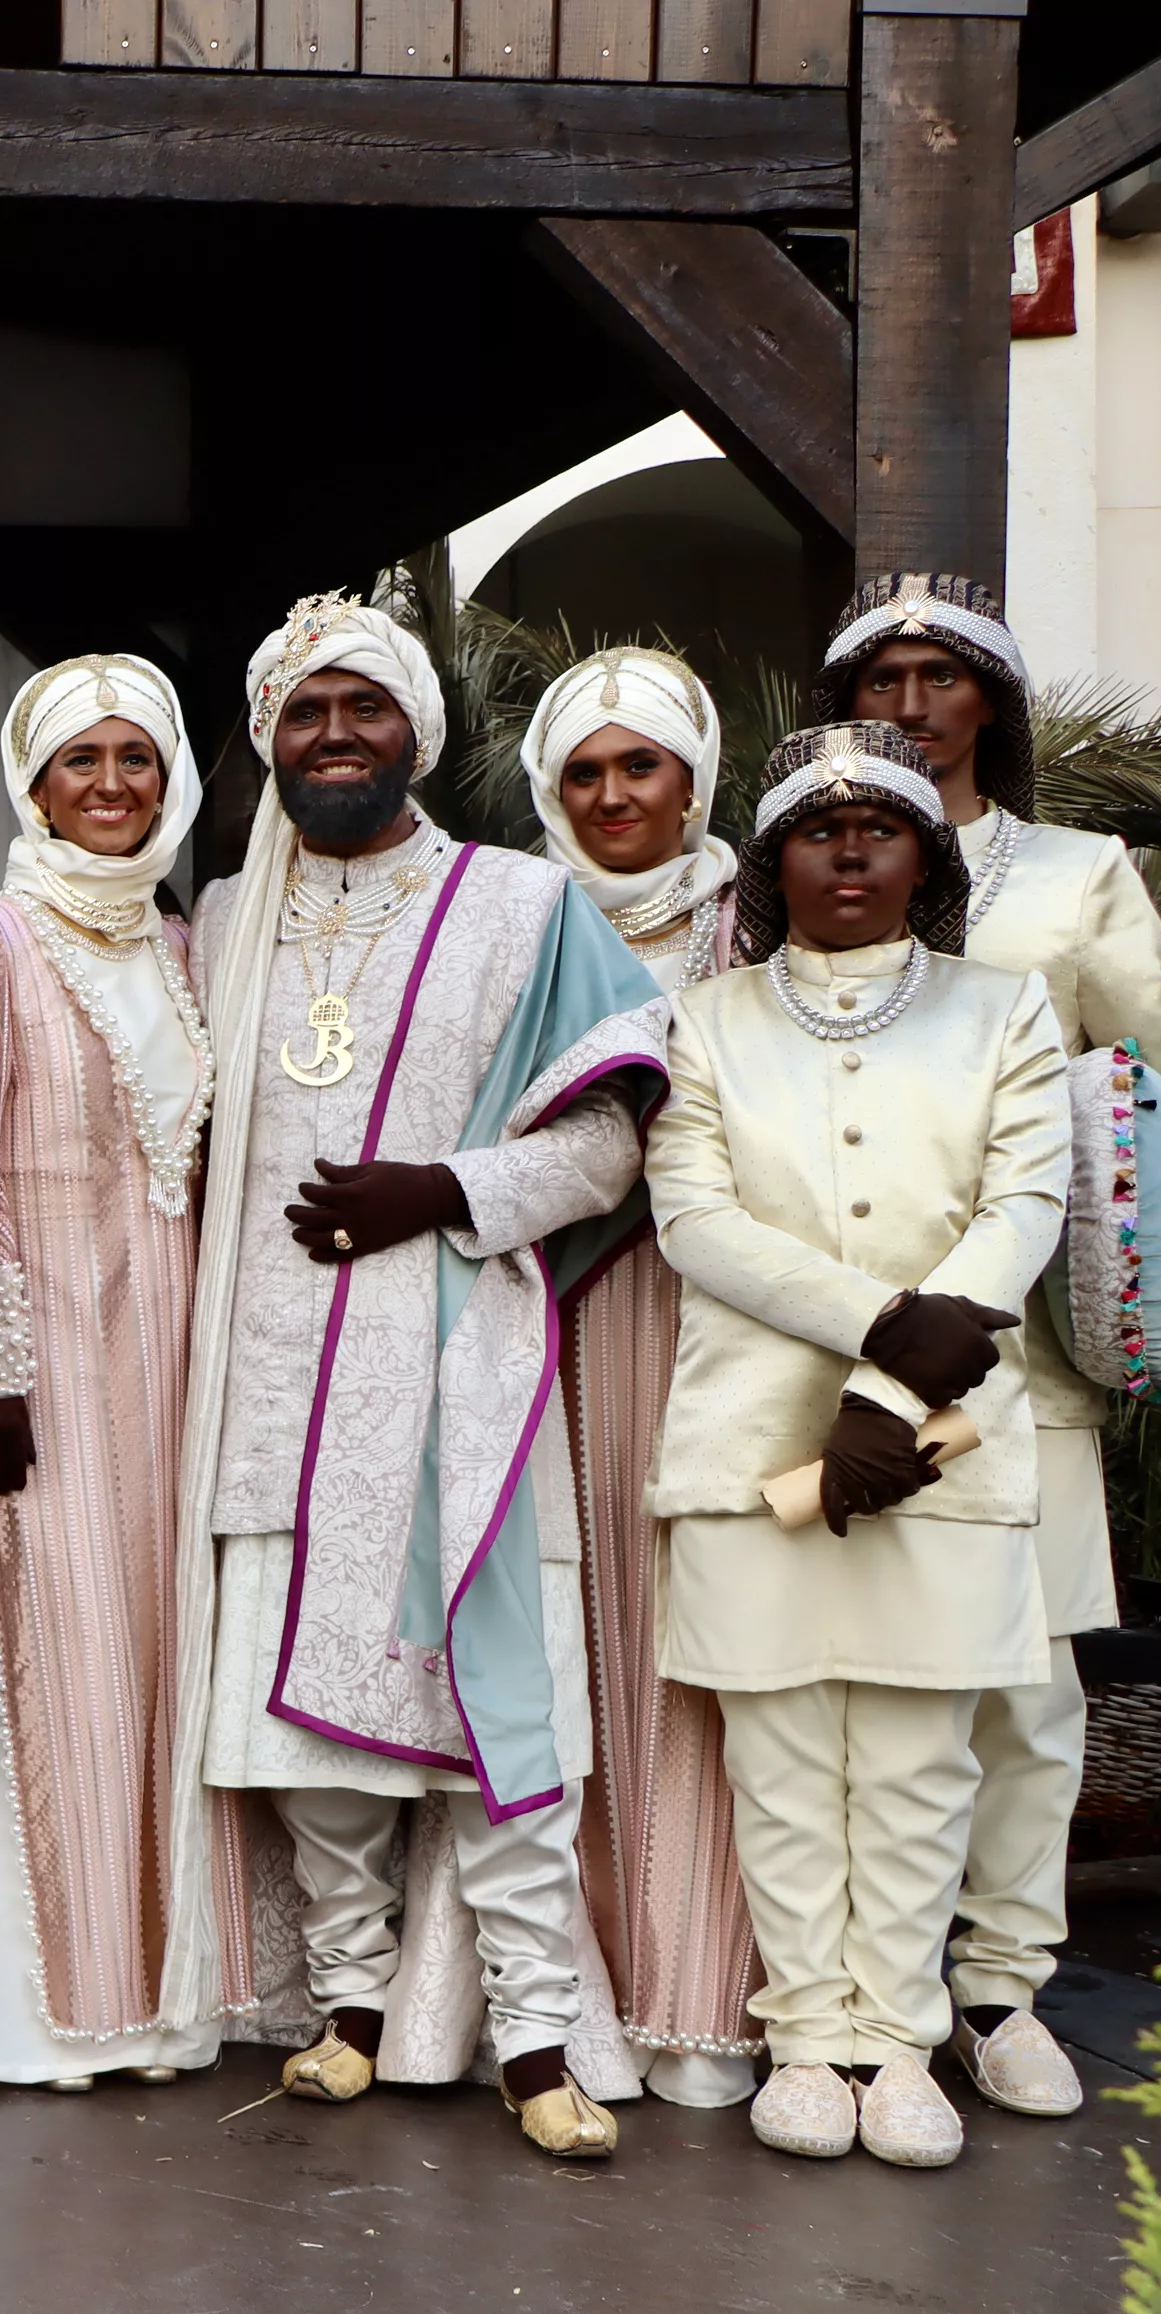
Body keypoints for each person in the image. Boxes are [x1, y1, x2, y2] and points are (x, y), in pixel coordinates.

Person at [169, 596, 662, 2161]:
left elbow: (609, 1143)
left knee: (489, 1702)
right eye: (305, 714)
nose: (334, 738)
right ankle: (349, 2002)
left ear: (420, 736)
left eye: (363, 710)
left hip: (454, 1367)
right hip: (262, 1377)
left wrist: (442, 1193)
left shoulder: (528, 907)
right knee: (308, 1746)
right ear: (266, 742)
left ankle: (533, 2030)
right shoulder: (226, 915)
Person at [645, 723, 1064, 2168]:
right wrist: (891, 1325)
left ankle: (899, 2039)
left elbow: (1026, 1204)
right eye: (815, 834)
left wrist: (901, 1393)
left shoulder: (1006, 1011)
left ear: (925, 856)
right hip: (749, 1438)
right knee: (778, 1758)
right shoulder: (707, 1022)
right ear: (770, 865)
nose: (847, 853)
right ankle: (806, 2035)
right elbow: (695, 1222)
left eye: (877, 830)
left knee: (915, 1760)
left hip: (945, 1440)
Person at [811, 572, 1161, 2122]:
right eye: (879, 672)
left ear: (990, 706)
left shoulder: (1078, 876)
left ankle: (1001, 1986)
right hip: (829, 1331)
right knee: (849, 1680)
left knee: (1024, 1686)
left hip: (1020, 1354)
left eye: (939, 673)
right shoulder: (796, 868)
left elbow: (1145, 1078)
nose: (908, 697)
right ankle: (850, 1997)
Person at [0, 655, 230, 2089]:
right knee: (59, 1644)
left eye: (137, 759)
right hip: (41, 1354)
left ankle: (169, 1985)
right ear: (30, 783)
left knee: (163, 1646)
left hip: (177, 1348)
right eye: (80, 761)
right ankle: (45, 2002)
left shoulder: (194, 948)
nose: (110, 786)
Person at [519, 650, 762, 2110]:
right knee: (578, 1633)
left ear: (697, 780)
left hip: (726, 1330)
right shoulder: (525, 923)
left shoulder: (759, 929)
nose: (613, 797)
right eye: (584, 774)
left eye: (642, 767)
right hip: (557, 1327)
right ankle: (580, 1979)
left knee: (706, 1633)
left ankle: (709, 1985)